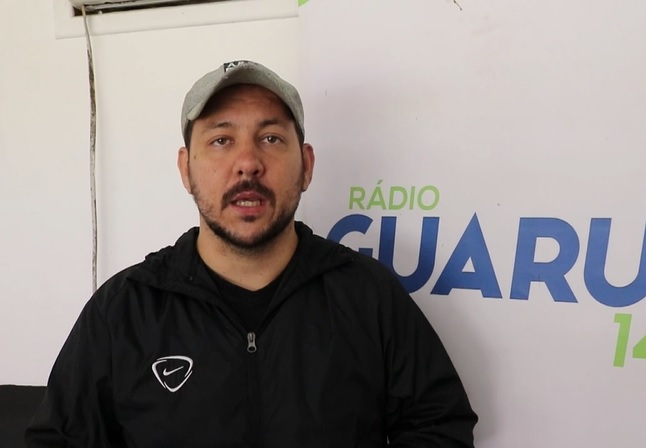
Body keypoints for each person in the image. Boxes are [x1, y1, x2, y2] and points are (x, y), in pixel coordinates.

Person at [25, 60, 477, 447]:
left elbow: (441, 426)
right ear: (186, 169)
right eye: (221, 140)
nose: (247, 163)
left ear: (307, 166)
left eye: (271, 138)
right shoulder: (124, 310)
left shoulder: (366, 296)